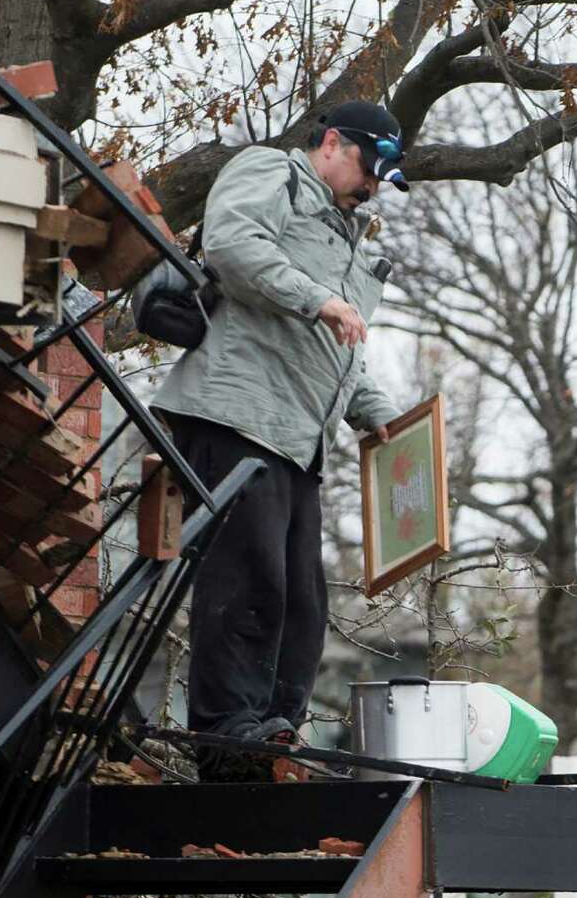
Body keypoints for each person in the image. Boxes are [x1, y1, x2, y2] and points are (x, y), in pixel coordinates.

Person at [155, 100, 403, 779]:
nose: (373, 187)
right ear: (331, 143)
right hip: (238, 412)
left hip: (300, 438)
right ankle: (229, 735)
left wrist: (377, 412)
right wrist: (314, 297)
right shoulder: (273, 174)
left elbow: (336, 352)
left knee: (300, 597)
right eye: (369, 168)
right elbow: (231, 243)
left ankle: (275, 733)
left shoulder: (348, 237)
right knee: (248, 574)